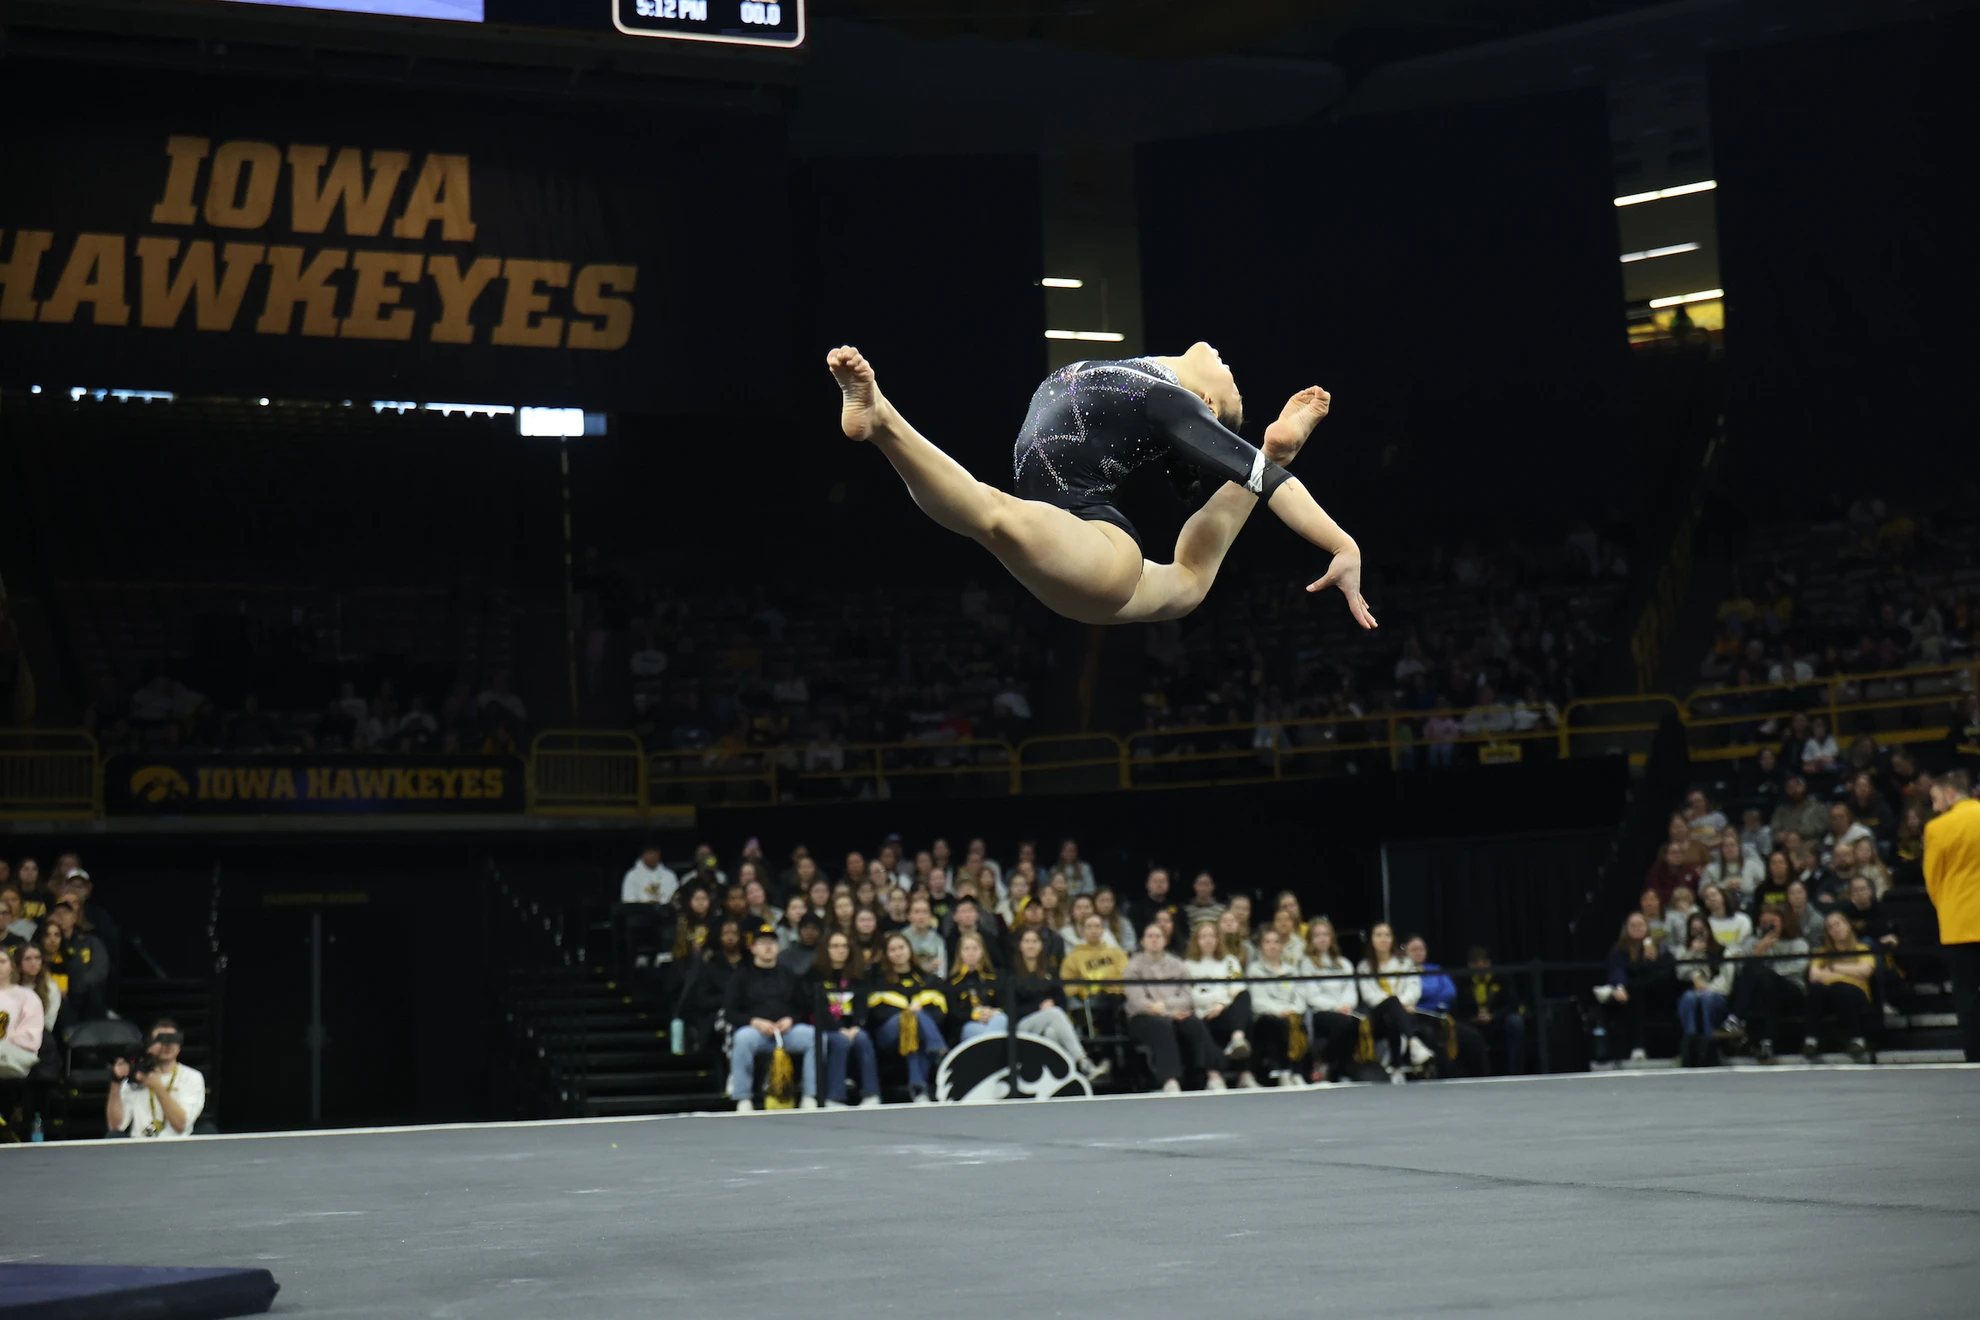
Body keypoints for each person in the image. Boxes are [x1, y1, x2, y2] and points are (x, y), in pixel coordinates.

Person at [826, 343, 1376, 629]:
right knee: (1190, 581)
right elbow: (1261, 473)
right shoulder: (1134, 378)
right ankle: (1279, 442)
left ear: (1207, 408)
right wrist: (1269, 456)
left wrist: (1341, 545)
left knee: (991, 513)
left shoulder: (1172, 402)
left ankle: (883, 423)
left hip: (1093, 543)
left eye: (1234, 398)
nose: (1233, 371)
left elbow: (1270, 483)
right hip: (1074, 554)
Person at [1123, 922, 1228, 1093]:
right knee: (1161, 1026)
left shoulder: (1178, 965)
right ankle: (1170, 1080)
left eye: (1158, 936)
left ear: (1165, 941)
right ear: (1142, 942)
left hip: (1175, 1013)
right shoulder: (1133, 967)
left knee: (1193, 1022)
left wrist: (1166, 1007)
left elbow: (1187, 997)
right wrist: (1168, 1012)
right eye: (1150, 936)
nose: (1154, 940)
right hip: (1143, 1017)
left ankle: (1213, 1075)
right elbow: (1137, 1001)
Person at [724, 926, 819, 1112]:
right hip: (756, 1032)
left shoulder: (789, 974)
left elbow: (803, 1006)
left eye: (772, 943)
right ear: (753, 948)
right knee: (742, 1039)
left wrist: (791, 1019)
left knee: (815, 1038)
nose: (768, 947)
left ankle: (810, 1095)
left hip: (787, 1031)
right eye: (763, 943)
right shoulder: (741, 976)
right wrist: (754, 1021)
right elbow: (730, 1011)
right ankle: (743, 1097)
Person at [1923, 770, 1980, 1061]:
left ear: (1949, 793)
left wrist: (1947, 906)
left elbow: (1933, 880)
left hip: (1959, 925)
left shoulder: (1937, 828)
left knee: (1967, 994)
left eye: (1934, 799)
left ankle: (1975, 1057)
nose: (1933, 807)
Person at [1005, 927, 1103, 1079]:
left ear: (1041, 945)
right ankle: (1083, 1062)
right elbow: (1010, 1009)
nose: (1031, 945)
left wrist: (1048, 1011)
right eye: (1027, 941)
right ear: (1020, 945)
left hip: (1049, 1022)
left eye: (1035, 942)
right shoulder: (1011, 973)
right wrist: (1039, 1009)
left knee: (1052, 1032)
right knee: (1054, 1013)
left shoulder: (1051, 971)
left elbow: (1062, 1002)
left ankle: (1055, 1076)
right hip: (1022, 1026)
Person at [866, 932, 949, 1104]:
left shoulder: (928, 979)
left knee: (913, 1030)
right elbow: (877, 1014)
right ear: (887, 954)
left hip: (916, 1034)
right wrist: (908, 1014)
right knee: (912, 1019)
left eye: (902, 948)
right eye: (893, 949)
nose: (898, 952)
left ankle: (918, 1089)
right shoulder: (879, 980)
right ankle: (938, 1049)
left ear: (909, 950)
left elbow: (939, 1013)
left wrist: (913, 1017)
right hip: (887, 1034)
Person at [1725, 903, 1809, 1064]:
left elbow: (1798, 967)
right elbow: (1742, 971)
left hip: (1792, 989)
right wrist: (1758, 952)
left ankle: (1735, 1017)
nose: (1768, 926)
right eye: (1764, 923)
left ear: (1782, 922)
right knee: (1762, 981)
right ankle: (1766, 1043)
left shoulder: (1797, 943)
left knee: (1762, 976)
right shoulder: (1752, 943)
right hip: (1765, 991)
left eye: (1772, 922)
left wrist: (1767, 971)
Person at [809, 932, 880, 1109]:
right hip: (825, 1027)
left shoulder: (857, 975)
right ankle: (834, 1096)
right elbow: (817, 1009)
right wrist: (838, 1028)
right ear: (826, 949)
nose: (841, 950)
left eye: (844, 946)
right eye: (835, 946)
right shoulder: (814, 974)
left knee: (863, 1038)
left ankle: (871, 1094)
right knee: (840, 1042)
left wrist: (856, 1026)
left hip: (852, 1027)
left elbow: (862, 1005)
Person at [1357, 922, 1433, 1081]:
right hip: (1377, 1016)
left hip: (1403, 1012)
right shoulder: (1364, 966)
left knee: (1394, 1016)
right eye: (1378, 935)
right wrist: (1396, 1004)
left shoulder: (1405, 963)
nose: (1383, 939)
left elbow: (1414, 988)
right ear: (1371, 939)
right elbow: (1369, 996)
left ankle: (1396, 1067)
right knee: (1391, 1005)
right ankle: (1414, 1044)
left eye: (1387, 935)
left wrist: (1402, 1004)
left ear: (1392, 939)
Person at [107, 1018, 206, 1139]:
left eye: (173, 1039)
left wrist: (157, 1087)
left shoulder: (192, 1077)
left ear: (179, 1045)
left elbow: (181, 1126)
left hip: (178, 1146)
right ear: (150, 1044)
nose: (167, 1045)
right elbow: (115, 1126)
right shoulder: (137, 1075)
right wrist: (116, 1082)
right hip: (139, 1145)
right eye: (161, 1039)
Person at [1181, 921, 1254, 1084]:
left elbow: (1236, 988)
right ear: (1196, 941)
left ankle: (1239, 1046)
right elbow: (1192, 996)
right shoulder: (1187, 966)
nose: (1208, 940)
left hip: (1225, 1012)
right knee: (1242, 1018)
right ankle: (1214, 1075)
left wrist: (1221, 1005)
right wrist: (1217, 1001)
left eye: (1212, 936)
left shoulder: (1229, 961)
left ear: (1218, 939)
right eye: (1203, 937)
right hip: (1203, 1015)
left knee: (1244, 997)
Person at [1804, 911, 1878, 1063]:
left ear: (1848, 926)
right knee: (1816, 990)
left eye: (1838, 924)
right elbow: (1813, 976)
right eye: (1830, 927)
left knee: (1841, 987)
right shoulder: (1822, 952)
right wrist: (1849, 971)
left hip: (1855, 993)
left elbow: (1864, 971)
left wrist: (1833, 968)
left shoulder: (1862, 948)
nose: (1835, 929)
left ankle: (1857, 1039)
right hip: (1828, 994)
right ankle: (1811, 1040)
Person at [1405, 935, 1481, 1078]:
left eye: (1421, 949)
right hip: (1420, 1019)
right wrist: (1434, 995)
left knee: (1473, 1037)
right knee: (1435, 1038)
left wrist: (1427, 998)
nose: (1418, 952)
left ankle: (1479, 1078)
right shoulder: (1406, 973)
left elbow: (1450, 992)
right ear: (1405, 953)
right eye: (1414, 949)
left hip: (1442, 1017)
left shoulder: (1435, 969)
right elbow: (1416, 993)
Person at [1602, 912, 1674, 1062]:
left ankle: (1641, 1046)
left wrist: (1652, 961)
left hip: (1658, 992)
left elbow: (1666, 974)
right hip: (1633, 995)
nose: (1636, 928)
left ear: (1647, 927)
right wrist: (1619, 987)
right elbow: (1617, 969)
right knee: (1632, 993)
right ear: (1626, 929)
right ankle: (1634, 1048)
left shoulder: (1660, 948)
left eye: (1640, 925)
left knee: (1636, 989)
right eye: (1632, 925)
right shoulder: (1619, 950)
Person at [1245, 929, 1309, 1087]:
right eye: (1267, 942)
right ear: (1261, 947)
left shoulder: (1292, 970)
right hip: (1266, 1015)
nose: (1272, 946)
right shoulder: (1254, 970)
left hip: (1291, 1013)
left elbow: (1300, 995)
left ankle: (1298, 1072)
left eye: (1276, 942)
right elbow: (1257, 1000)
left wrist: (1293, 1009)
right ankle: (1285, 1071)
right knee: (1274, 1024)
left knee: (1297, 1024)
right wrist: (1280, 1011)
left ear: (1282, 946)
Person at [1301, 920, 1360, 1084]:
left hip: (1344, 1010)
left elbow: (1350, 989)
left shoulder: (1343, 963)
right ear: (1310, 939)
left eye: (1325, 935)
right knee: (1343, 1024)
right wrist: (1335, 1007)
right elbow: (1311, 994)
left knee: (1351, 1023)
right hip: (1320, 1012)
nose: (1322, 939)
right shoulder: (1307, 964)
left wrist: (1346, 1005)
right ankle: (1326, 1064)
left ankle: (1339, 1069)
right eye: (1317, 935)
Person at [1673, 914, 1735, 1067]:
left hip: (1717, 995)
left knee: (1705, 997)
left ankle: (1709, 1045)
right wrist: (1692, 954)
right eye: (1694, 930)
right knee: (1690, 998)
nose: (1698, 933)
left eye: (1701, 929)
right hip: (1691, 995)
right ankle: (1691, 1044)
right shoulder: (1683, 952)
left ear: (1708, 930)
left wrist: (1707, 988)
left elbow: (1727, 983)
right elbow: (1680, 974)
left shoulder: (1722, 950)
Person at [1455, 946, 1526, 1075]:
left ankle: (1516, 1072)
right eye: (1476, 962)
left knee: (1516, 1021)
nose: (1481, 965)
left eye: (1484, 961)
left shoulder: (1502, 978)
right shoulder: (1462, 982)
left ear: (1489, 963)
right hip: (1473, 1023)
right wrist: (1473, 1018)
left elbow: (1513, 1004)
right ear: (1469, 965)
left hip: (1498, 1020)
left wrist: (1493, 1016)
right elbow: (1458, 1009)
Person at [949, 931, 1004, 1044]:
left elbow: (1006, 1003)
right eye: (966, 949)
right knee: (978, 1030)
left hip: (993, 1019)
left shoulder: (993, 977)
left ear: (982, 951)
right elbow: (952, 1012)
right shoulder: (953, 981)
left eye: (975, 948)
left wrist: (992, 1012)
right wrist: (973, 1015)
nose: (971, 953)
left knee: (1002, 1019)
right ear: (960, 953)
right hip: (968, 1023)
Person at [0, 947, 42, 1079]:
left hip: (13, 1056)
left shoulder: (27, 996)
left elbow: (31, 1033)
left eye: (2, 961)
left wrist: (6, 1041)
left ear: (12, 966)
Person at [1700, 884, 1753, 953]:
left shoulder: (1743, 920)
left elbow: (1744, 945)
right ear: (1705, 904)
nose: (1711, 899)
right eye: (1707, 897)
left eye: (1713, 895)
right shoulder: (1705, 924)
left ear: (1723, 896)